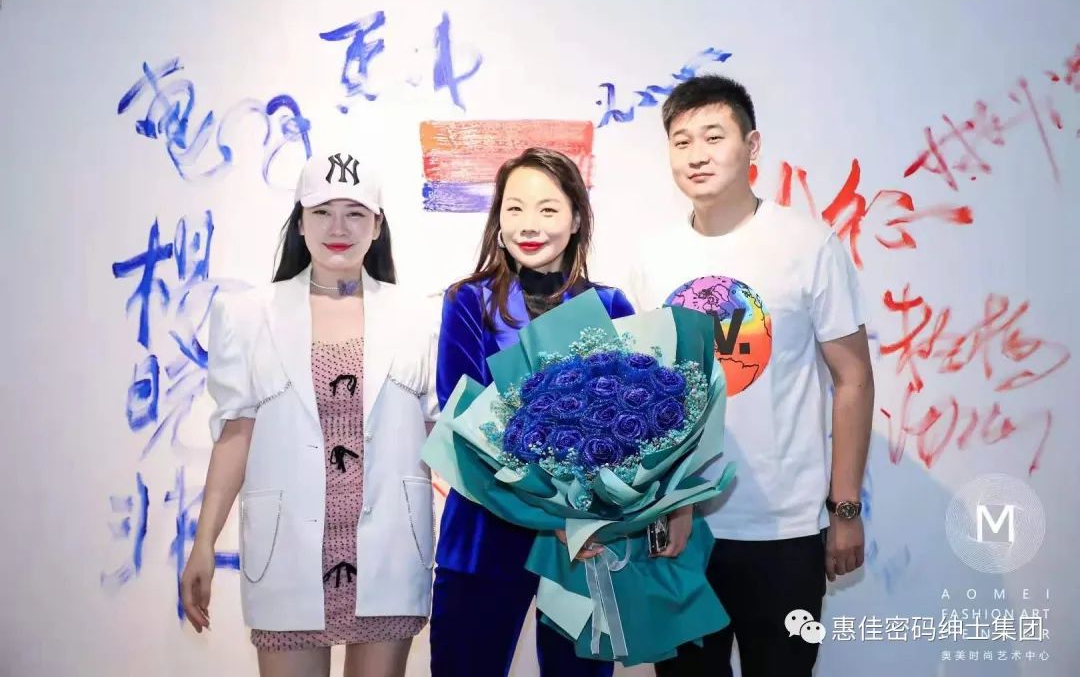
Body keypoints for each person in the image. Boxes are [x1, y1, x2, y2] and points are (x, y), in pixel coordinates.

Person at [627, 75, 875, 676]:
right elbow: (641, 396)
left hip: (784, 532)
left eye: (714, 136)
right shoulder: (651, 259)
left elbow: (853, 378)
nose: (697, 154)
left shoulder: (808, 245)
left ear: (752, 145)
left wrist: (844, 509)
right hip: (680, 533)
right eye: (681, 141)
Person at [180, 150, 438, 677]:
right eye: (322, 212)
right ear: (300, 222)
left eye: (355, 213)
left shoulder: (422, 316)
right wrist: (203, 542)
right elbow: (235, 434)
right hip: (288, 552)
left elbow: (442, 436)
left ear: (377, 226)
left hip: (389, 549)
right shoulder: (247, 315)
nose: (338, 228)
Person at [429, 147, 636, 677]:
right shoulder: (468, 302)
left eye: (548, 209)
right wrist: (551, 510)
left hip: (582, 543)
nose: (529, 224)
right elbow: (463, 413)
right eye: (515, 208)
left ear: (576, 218)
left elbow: (628, 432)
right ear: (498, 219)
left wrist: (579, 514)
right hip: (485, 530)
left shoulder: (611, 307)